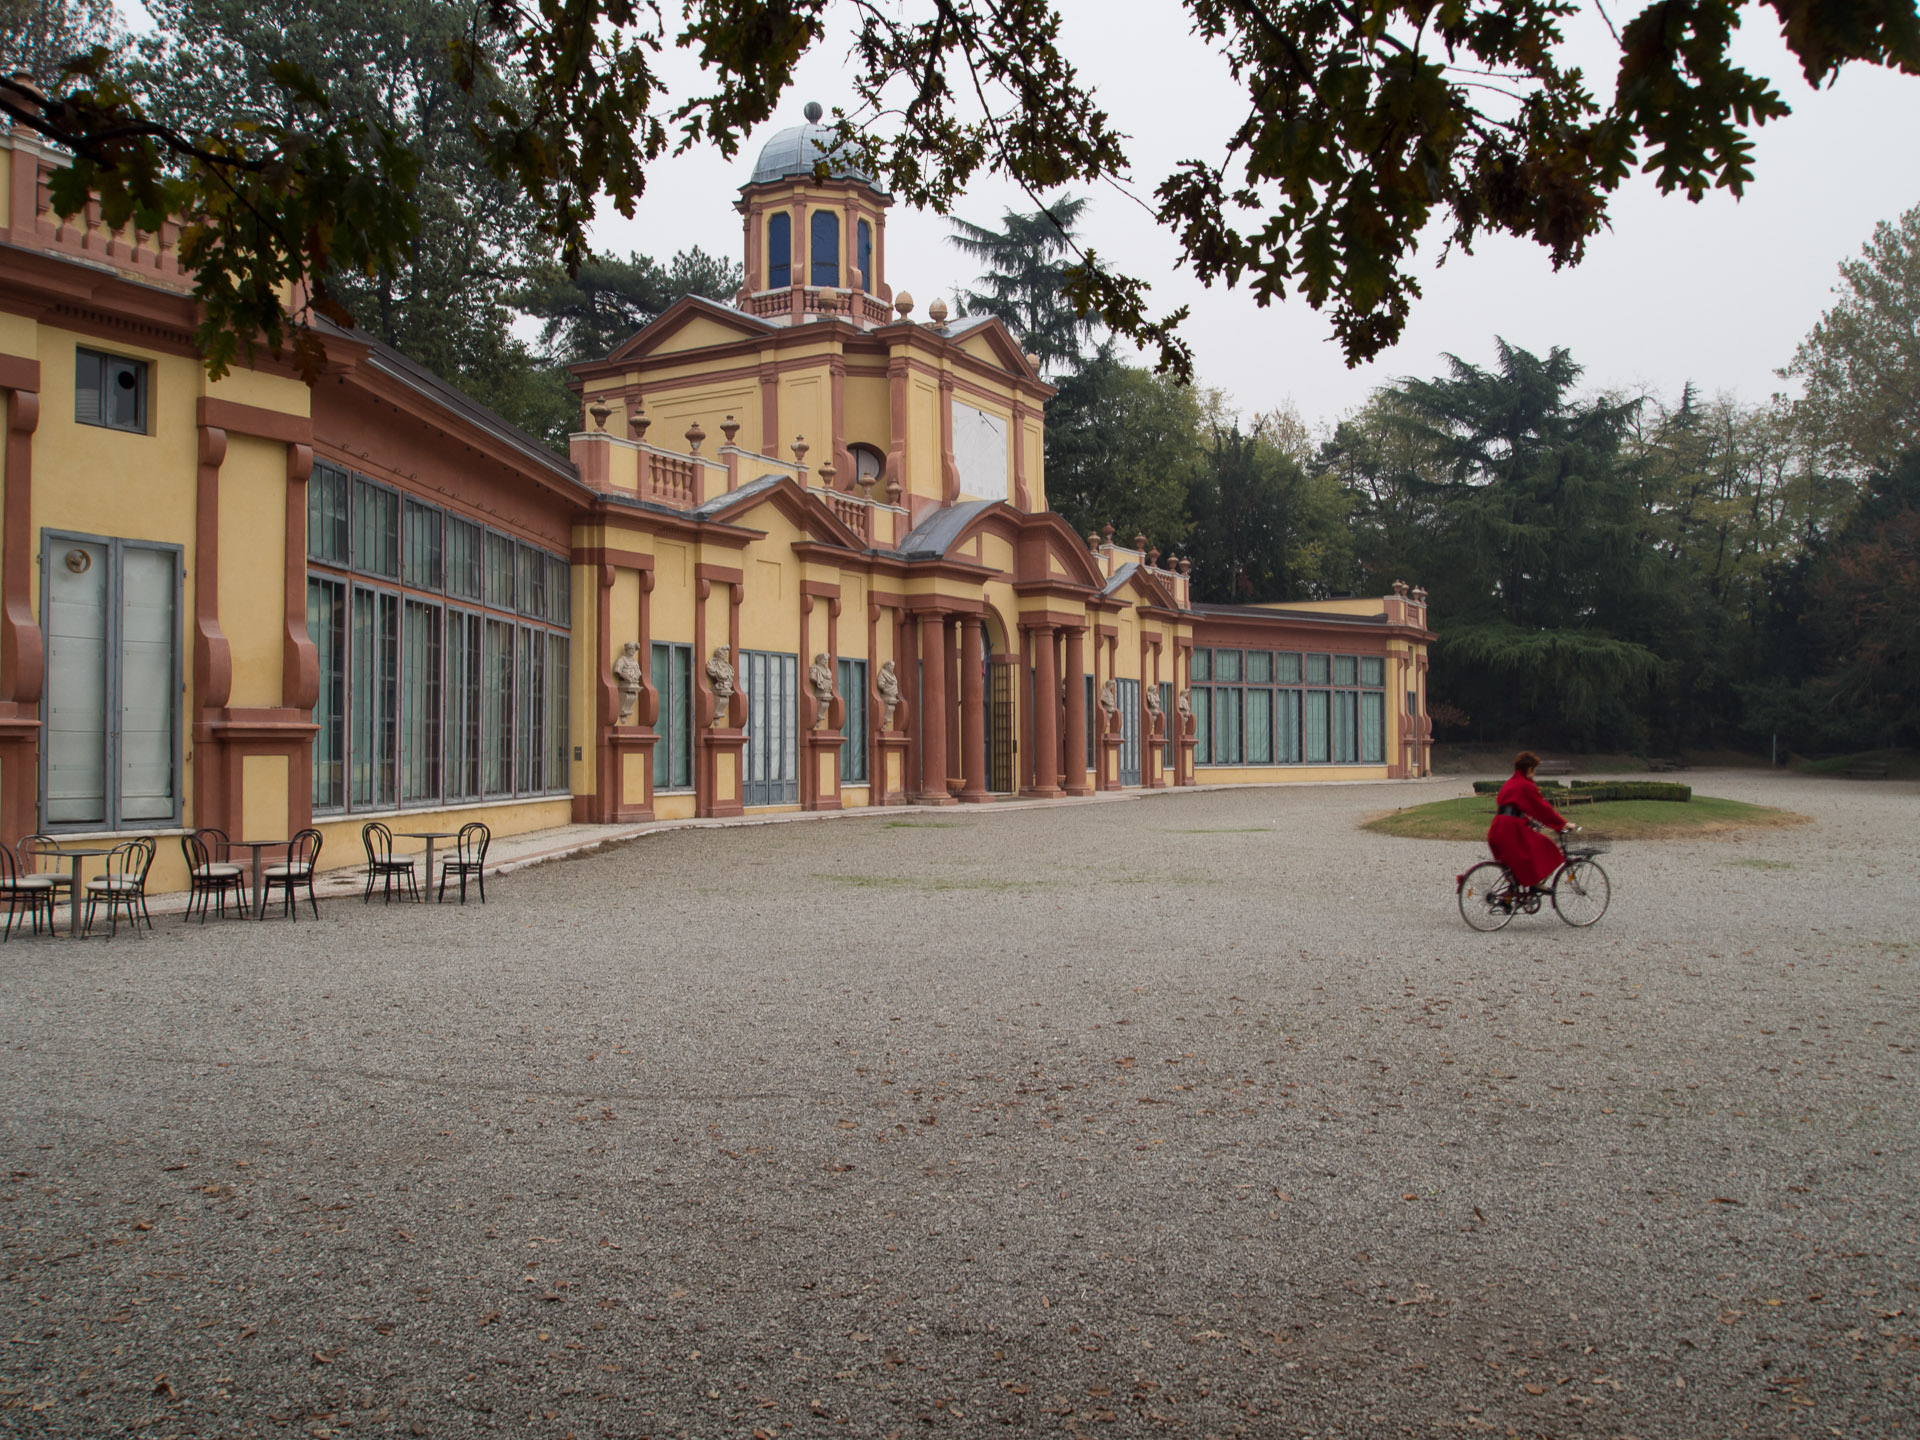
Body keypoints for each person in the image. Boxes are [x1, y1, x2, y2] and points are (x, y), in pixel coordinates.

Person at [1487, 751, 1570, 900]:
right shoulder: (1525, 785)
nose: (1535, 773)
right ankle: (1535, 883)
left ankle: (1513, 894)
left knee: (1518, 859)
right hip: (1511, 829)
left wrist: (1527, 819)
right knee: (1544, 845)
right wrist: (1562, 824)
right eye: (1535, 769)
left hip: (1498, 826)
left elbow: (1509, 807)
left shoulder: (1510, 782)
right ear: (1529, 769)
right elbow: (1542, 809)